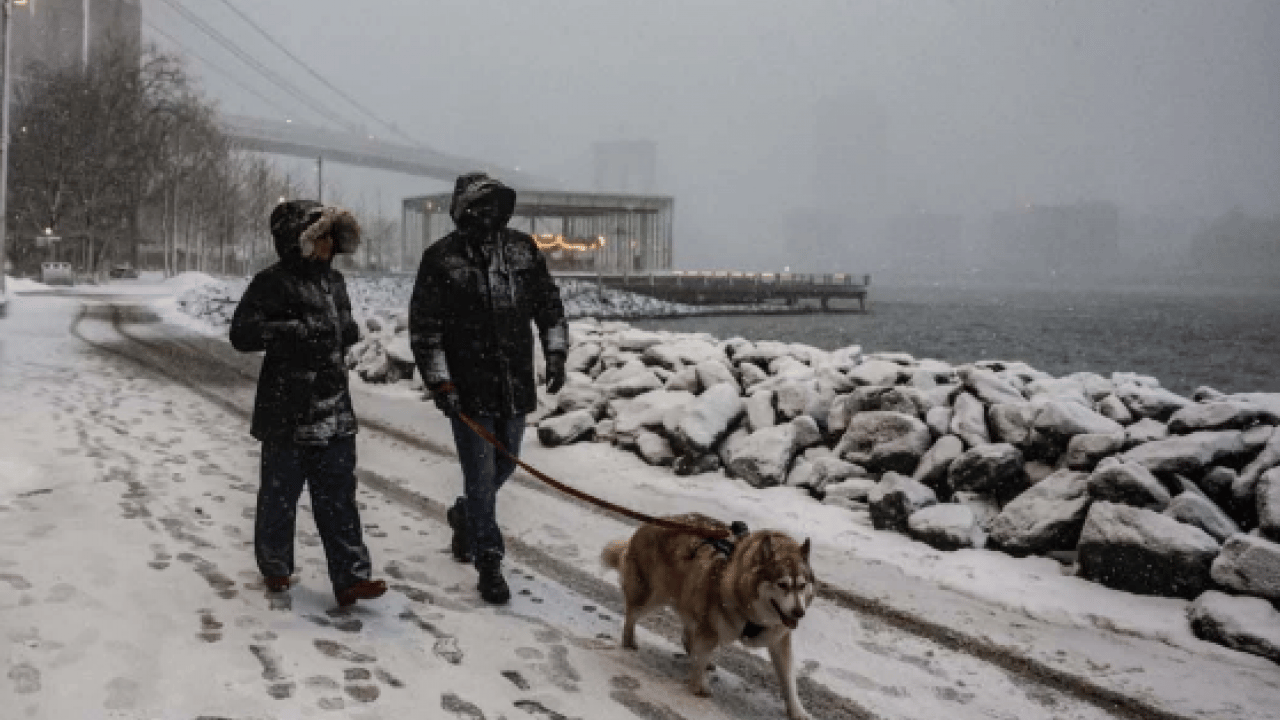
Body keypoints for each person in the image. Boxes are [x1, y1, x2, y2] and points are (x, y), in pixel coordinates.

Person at [409, 173, 567, 604]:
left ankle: (466, 517)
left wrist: (555, 350)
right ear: (463, 210)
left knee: (506, 463)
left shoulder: (522, 249)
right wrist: (441, 381)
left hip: (514, 383)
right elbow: (425, 329)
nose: (488, 214)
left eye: (494, 206)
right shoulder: (441, 259)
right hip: (468, 387)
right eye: (480, 206)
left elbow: (548, 304)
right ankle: (489, 561)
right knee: (480, 478)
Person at [230, 199, 387, 608]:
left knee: (339, 497)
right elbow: (242, 333)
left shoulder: (335, 282)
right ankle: (275, 565)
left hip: (334, 408)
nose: (329, 243)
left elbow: (341, 328)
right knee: (279, 497)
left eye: (332, 236)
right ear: (298, 240)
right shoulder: (271, 282)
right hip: (286, 409)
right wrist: (294, 331)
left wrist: (347, 331)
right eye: (322, 236)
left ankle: (352, 577)